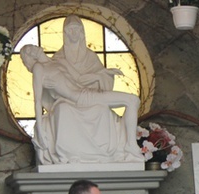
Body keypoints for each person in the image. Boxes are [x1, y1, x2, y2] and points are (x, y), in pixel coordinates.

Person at [23, 16, 144, 166]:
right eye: (70, 30)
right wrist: (40, 128)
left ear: (82, 32)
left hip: (87, 94)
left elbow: (79, 79)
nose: (73, 33)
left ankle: (128, 146)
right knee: (132, 100)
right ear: (65, 33)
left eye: (76, 29)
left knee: (124, 103)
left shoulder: (56, 63)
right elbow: (39, 99)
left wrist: (101, 75)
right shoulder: (43, 66)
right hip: (79, 98)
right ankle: (130, 147)